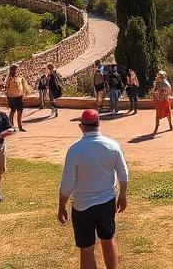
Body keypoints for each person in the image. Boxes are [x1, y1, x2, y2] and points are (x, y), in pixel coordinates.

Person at [58, 109, 129, 269]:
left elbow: (67, 184)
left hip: (83, 207)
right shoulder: (112, 145)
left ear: (81, 126)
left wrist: (61, 206)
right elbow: (123, 174)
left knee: (87, 249)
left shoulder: (74, 150)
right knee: (108, 239)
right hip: (107, 203)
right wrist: (122, 196)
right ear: (99, 123)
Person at [5, 64, 30, 132]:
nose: (15, 70)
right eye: (14, 69)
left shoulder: (19, 77)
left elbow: (21, 86)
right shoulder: (9, 78)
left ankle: (20, 126)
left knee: (20, 111)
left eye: (16, 69)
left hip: (19, 96)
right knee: (13, 111)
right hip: (12, 96)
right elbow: (6, 86)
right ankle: (11, 126)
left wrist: (23, 94)